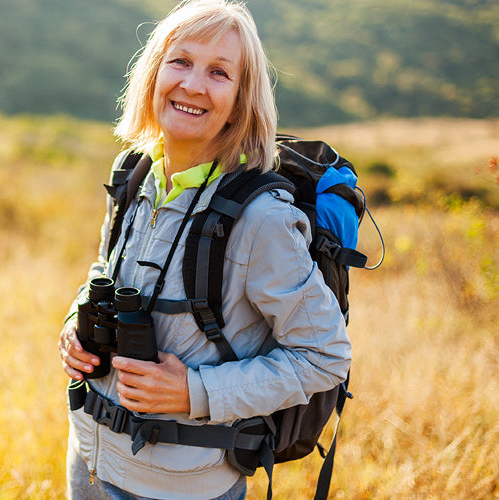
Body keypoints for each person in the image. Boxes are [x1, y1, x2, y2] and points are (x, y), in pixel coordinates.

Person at [57, 1, 351, 498]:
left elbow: (324, 356)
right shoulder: (136, 173)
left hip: (182, 486)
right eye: (180, 61)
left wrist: (194, 391)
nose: (193, 85)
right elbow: (103, 271)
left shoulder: (263, 219)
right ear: (153, 73)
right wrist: (72, 326)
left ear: (241, 99)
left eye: (219, 72)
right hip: (87, 458)